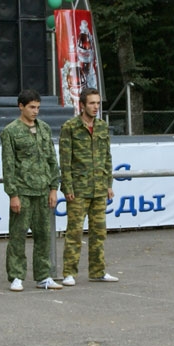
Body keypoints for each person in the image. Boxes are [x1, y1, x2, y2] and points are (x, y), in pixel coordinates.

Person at [0, 89, 63, 292]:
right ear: (21, 106)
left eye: (37, 107)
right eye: (31, 107)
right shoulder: (11, 131)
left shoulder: (44, 128)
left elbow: (52, 160)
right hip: (23, 191)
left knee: (44, 236)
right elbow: (8, 166)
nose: (35, 111)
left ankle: (43, 275)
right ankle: (16, 275)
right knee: (18, 236)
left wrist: (54, 188)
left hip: (43, 191)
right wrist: (13, 194)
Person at [59, 87, 119, 286]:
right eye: (92, 103)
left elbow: (107, 158)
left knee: (99, 232)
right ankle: (69, 272)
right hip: (78, 189)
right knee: (74, 233)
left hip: (99, 188)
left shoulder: (102, 127)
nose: (96, 107)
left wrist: (108, 183)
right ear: (82, 105)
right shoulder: (70, 127)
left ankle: (98, 271)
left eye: (98, 103)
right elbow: (65, 160)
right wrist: (67, 187)